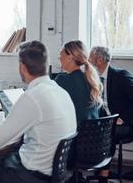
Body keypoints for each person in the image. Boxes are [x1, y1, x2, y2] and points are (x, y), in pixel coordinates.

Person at [0, 41, 77, 183]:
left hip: (30, 175)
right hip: (56, 172)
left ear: (22, 67)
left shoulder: (32, 96)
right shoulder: (59, 91)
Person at [89, 46, 133, 182]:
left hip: (127, 124)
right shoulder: (96, 78)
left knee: (105, 134)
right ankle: (99, 170)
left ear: (100, 60)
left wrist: (124, 118)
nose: (88, 63)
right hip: (107, 121)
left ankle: (103, 175)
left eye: (90, 59)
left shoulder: (121, 76)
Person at [55, 40, 103, 124]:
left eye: (61, 55)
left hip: (75, 134)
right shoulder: (91, 79)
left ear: (70, 58)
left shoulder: (62, 79)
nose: (59, 58)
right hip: (95, 134)